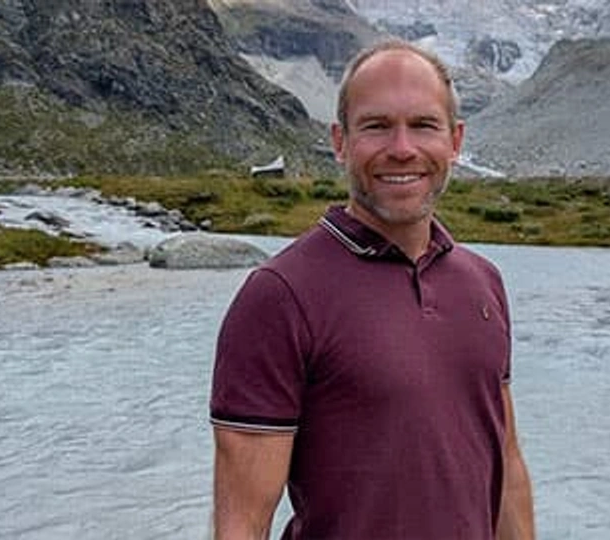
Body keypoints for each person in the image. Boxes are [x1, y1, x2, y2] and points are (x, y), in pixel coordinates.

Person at [209, 39, 535, 540]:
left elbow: (506, 470)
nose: (402, 148)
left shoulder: (483, 282)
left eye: (424, 125)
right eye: (377, 126)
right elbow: (241, 523)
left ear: (455, 140)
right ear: (340, 142)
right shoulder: (279, 295)